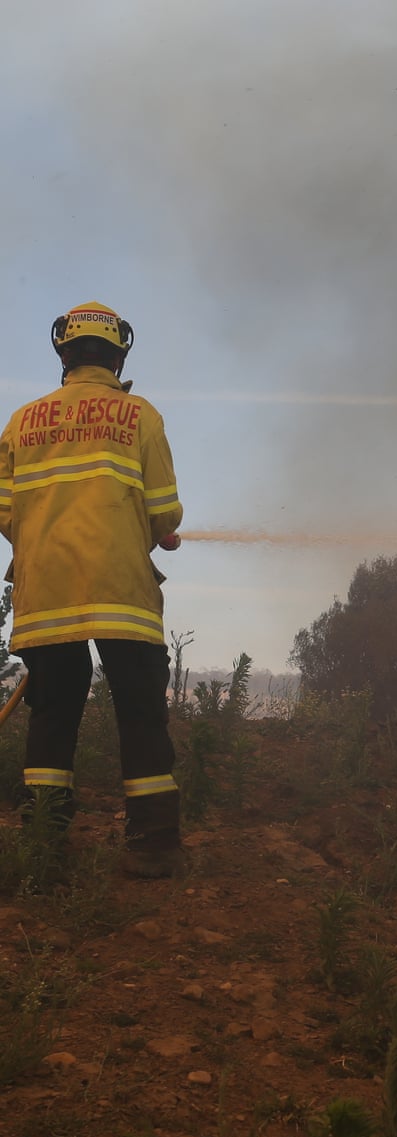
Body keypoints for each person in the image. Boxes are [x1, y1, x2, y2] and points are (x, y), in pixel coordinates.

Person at [0, 301, 185, 877]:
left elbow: (6, 513)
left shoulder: (22, 421)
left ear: (64, 352)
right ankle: (153, 847)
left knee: (53, 715)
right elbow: (164, 514)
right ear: (119, 352)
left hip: (45, 595)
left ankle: (44, 848)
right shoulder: (140, 416)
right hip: (122, 595)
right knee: (140, 714)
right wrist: (156, 534)